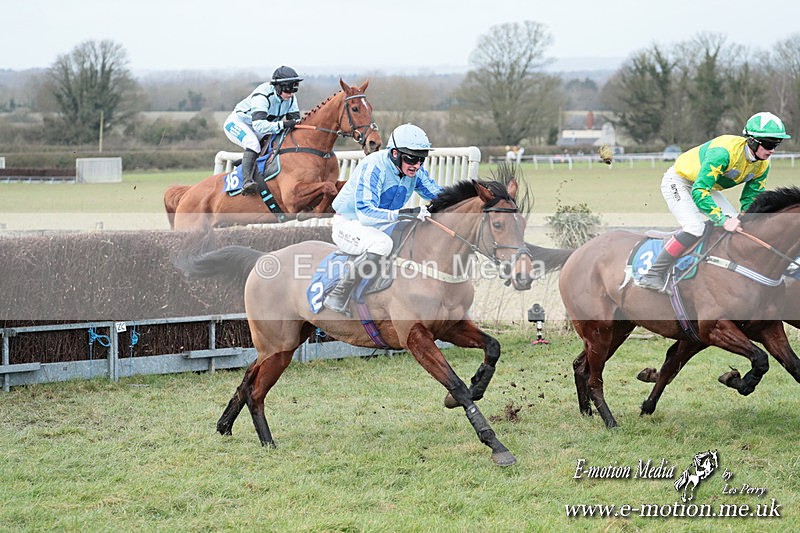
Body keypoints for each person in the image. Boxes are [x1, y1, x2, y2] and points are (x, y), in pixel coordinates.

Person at [639, 111, 791, 291]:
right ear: (751, 140)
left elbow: (751, 198)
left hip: (706, 187)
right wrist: (722, 220)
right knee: (695, 228)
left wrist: (748, 219)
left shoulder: (763, 164)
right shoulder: (723, 152)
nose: (772, 150)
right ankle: (653, 273)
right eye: (768, 144)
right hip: (679, 182)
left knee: (738, 225)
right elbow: (699, 190)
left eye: (776, 144)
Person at [324, 123, 443, 314]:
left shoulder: (414, 171)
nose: (417, 165)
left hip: (381, 224)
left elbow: (439, 195)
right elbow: (365, 213)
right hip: (350, 223)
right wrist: (405, 213)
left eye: (422, 159)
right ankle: (338, 294)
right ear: (395, 153)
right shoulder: (374, 166)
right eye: (412, 159)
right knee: (382, 245)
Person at [223, 66, 303, 194]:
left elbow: (295, 122)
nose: (291, 93)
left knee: (276, 141)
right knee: (252, 144)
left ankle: (245, 163)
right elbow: (259, 125)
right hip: (237, 123)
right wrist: (282, 124)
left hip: (260, 126)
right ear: (277, 86)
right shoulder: (262, 95)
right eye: (288, 88)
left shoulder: (291, 98)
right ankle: (246, 182)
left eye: (294, 88)